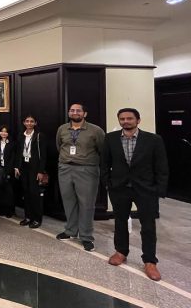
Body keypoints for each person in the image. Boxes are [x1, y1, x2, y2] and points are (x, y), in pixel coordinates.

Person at [101, 108, 169, 281]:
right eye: (122, 119)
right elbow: (104, 164)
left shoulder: (153, 140)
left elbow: (161, 167)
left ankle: (149, 261)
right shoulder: (110, 139)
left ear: (138, 120)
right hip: (119, 188)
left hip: (146, 189)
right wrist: (108, 184)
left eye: (129, 118)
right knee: (120, 221)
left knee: (148, 226)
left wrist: (159, 189)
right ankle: (121, 252)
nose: (125, 121)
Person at [55, 103, 105, 252]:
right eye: (72, 110)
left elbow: (102, 149)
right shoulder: (62, 129)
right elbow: (59, 146)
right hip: (65, 168)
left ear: (85, 113)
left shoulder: (95, 130)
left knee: (87, 204)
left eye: (78, 110)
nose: (74, 112)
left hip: (87, 170)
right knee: (69, 201)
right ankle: (70, 231)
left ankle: (86, 237)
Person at [14, 114, 47, 229]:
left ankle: (37, 219)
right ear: (24, 123)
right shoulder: (21, 136)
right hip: (24, 166)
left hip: (35, 168)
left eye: (31, 121)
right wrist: (17, 167)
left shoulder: (39, 136)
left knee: (35, 194)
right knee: (26, 193)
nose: (29, 123)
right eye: (27, 121)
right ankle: (28, 217)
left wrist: (41, 171)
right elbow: (18, 152)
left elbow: (43, 155)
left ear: (35, 123)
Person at [0, 125, 17, 217]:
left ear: (8, 133)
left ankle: (10, 211)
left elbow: (12, 158)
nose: (4, 133)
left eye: (6, 131)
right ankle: (2, 210)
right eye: (2, 131)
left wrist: (8, 171)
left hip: (8, 170)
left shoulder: (12, 143)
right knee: (1, 190)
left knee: (9, 191)